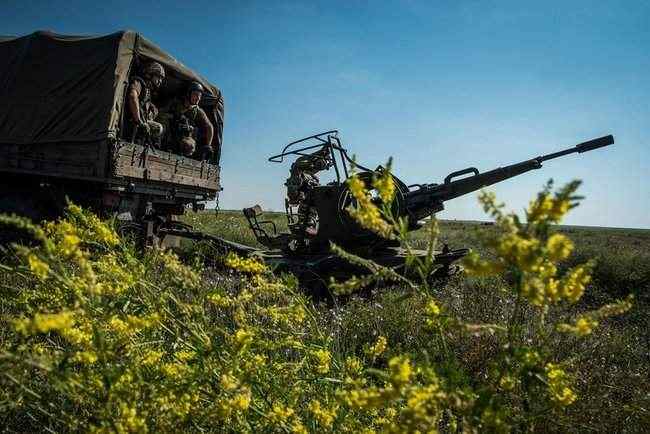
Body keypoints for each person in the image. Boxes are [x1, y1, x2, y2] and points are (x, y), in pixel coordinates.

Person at [170, 81, 214, 159]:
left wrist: (208, 145)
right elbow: (162, 113)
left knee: (190, 145)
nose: (198, 98)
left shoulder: (197, 110)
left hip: (185, 137)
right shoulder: (177, 103)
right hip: (171, 133)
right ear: (189, 94)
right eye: (195, 95)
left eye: (200, 96)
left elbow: (210, 127)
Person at [126, 61, 166, 146]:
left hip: (140, 124)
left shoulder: (148, 91)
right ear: (150, 74)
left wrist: (153, 110)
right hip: (132, 123)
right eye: (158, 77)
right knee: (159, 128)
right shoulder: (139, 82)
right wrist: (139, 121)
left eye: (161, 79)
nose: (160, 81)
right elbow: (133, 96)